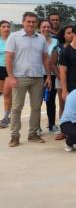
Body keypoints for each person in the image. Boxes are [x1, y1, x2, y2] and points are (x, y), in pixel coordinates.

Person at [6, 12, 52, 147]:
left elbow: (45, 58)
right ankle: (14, 136)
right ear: (23, 22)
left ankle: (33, 134)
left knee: (36, 107)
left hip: (37, 77)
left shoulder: (41, 39)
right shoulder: (14, 37)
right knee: (16, 108)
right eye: (28, 21)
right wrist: (11, 77)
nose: (31, 24)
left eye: (33, 21)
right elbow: (9, 57)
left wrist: (48, 76)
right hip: (19, 77)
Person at [0, 21, 12, 128]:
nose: (6, 28)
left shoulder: (13, 39)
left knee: (7, 93)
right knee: (3, 93)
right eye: (4, 26)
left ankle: (6, 117)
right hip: (1, 69)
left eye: (8, 26)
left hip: (11, 69)